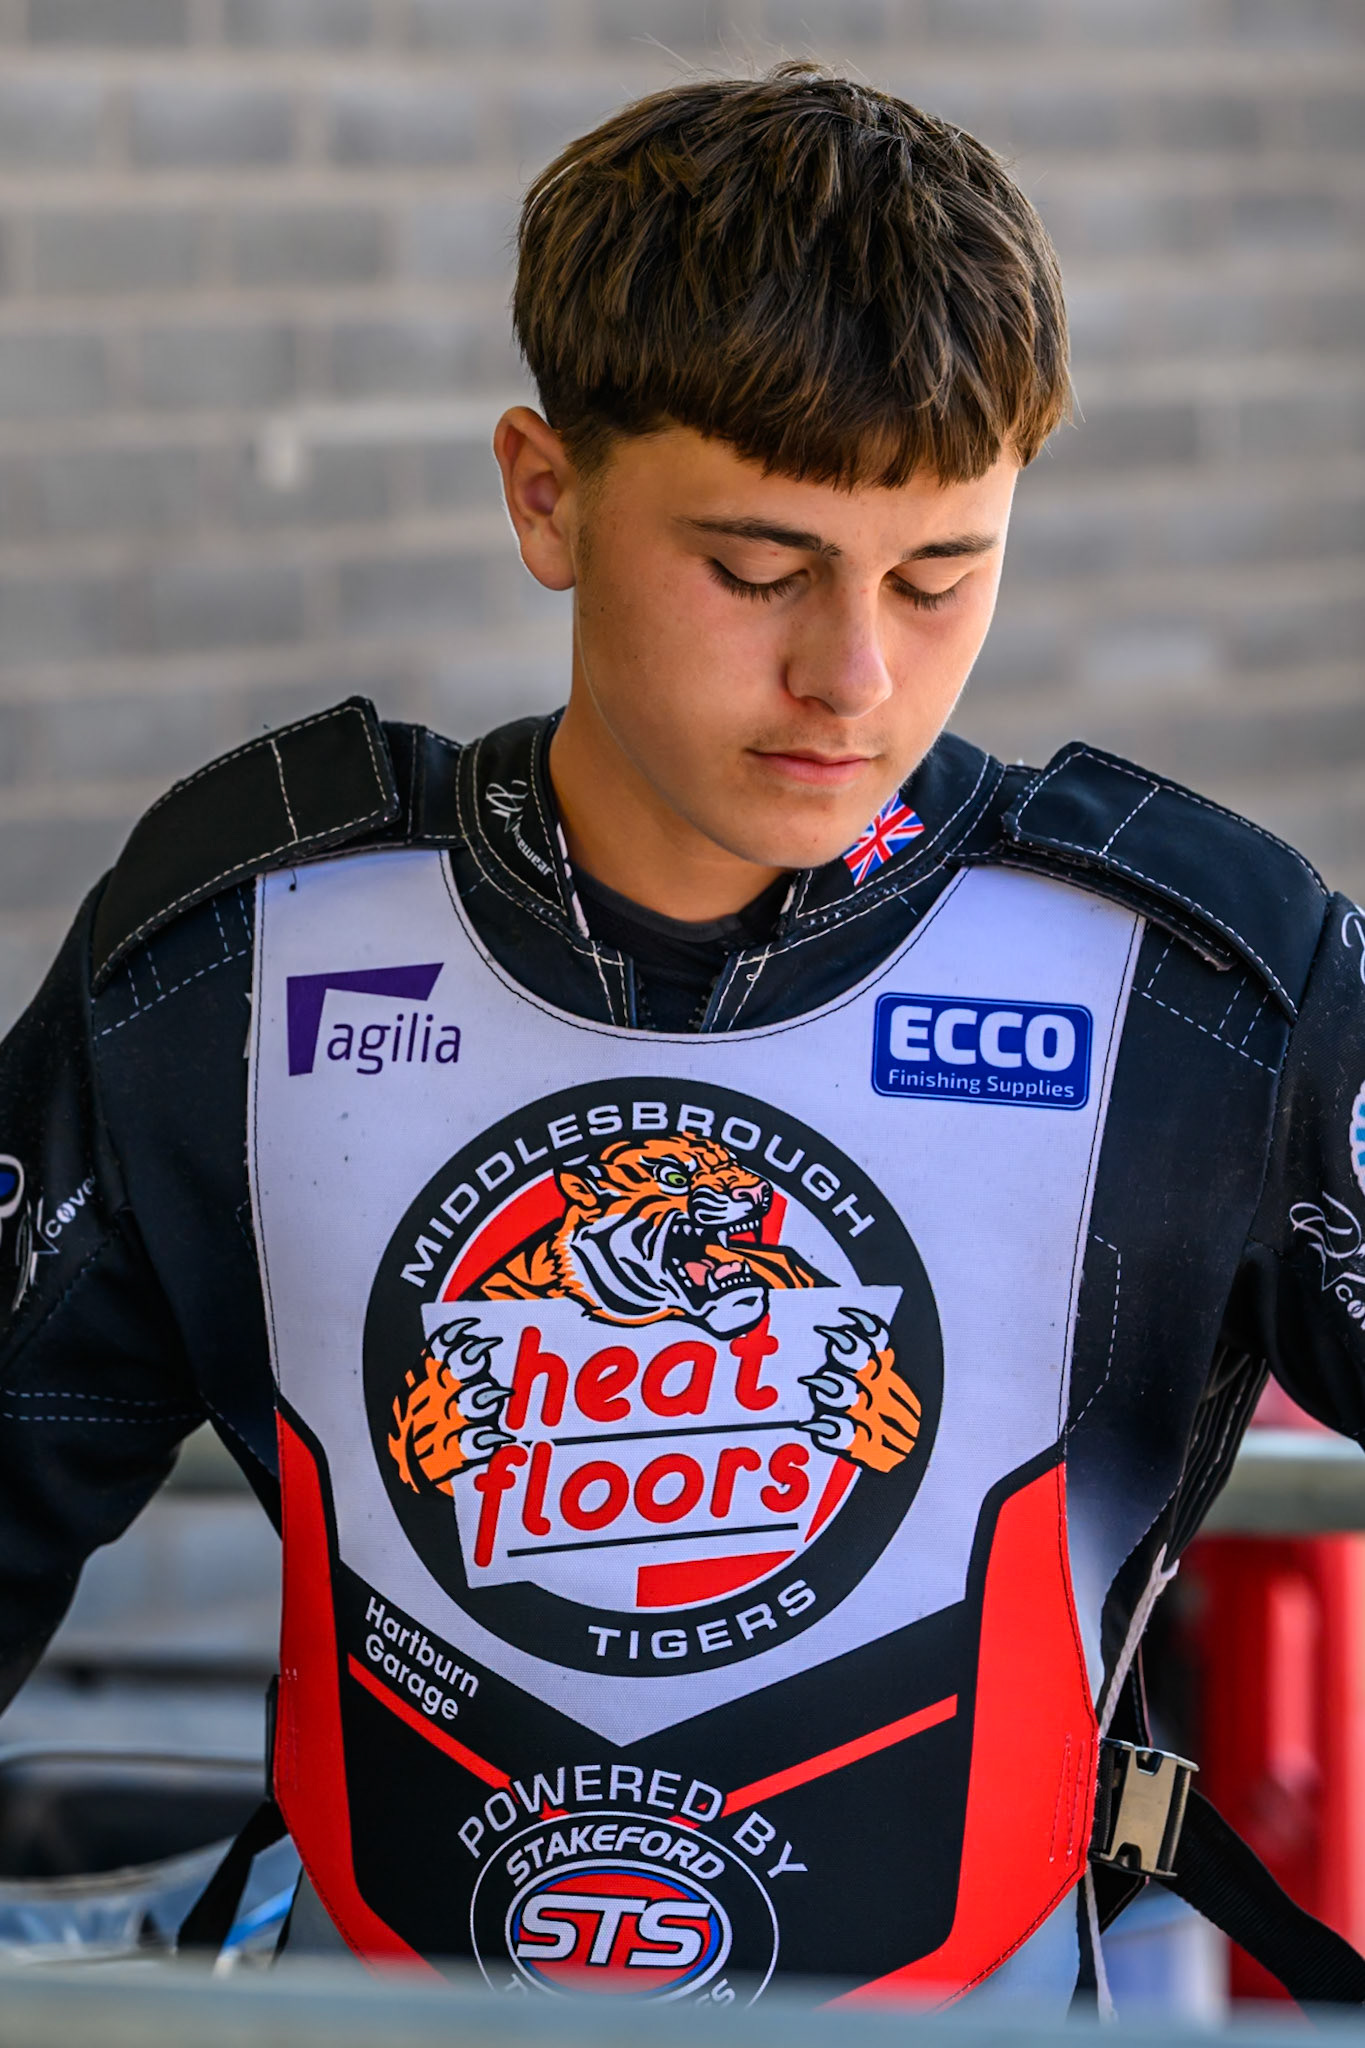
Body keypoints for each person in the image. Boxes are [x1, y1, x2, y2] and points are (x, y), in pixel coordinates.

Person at [1, 62, 1363, 2012]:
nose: (853, 674)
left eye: (940, 571)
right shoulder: (229, 953)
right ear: (541, 494)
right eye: (755, 567)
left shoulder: (1197, 990)